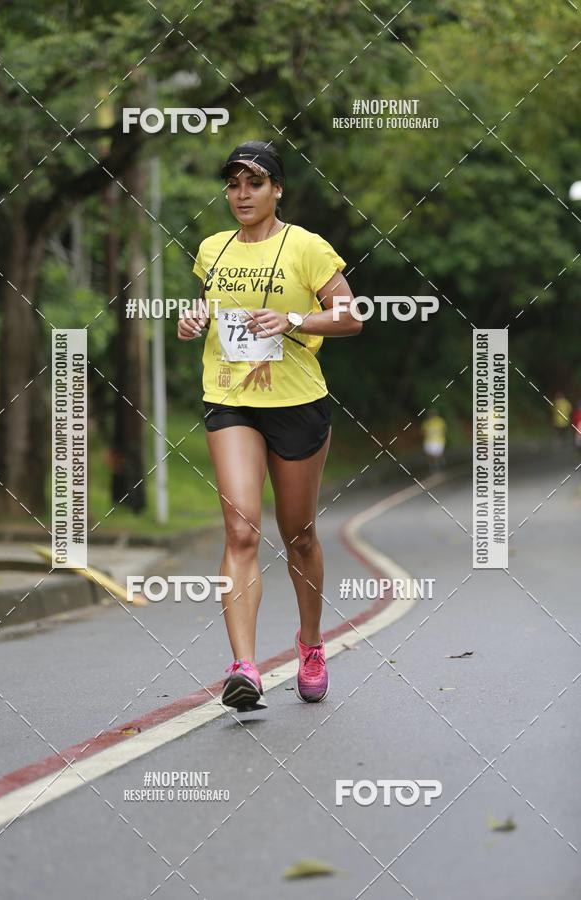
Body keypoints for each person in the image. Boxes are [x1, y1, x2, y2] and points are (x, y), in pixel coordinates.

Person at [177, 140, 361, 712]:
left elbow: (351, 316)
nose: (241, 195)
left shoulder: (305, 246)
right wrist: (193, 317)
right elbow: (211, 310)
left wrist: (295, 318)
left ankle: (309, 645)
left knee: (299, 535)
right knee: (240, 531)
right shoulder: (212, 249)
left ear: (277, 189)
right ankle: (244, 668)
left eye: (254, 183)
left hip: (298, 403)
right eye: (233, 184)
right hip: (230, 400)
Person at [421, 409, 447, 473]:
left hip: (439, 440)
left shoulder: (440, 421)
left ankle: (438, 463)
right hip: (429, 441)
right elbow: (423, 431)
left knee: (437, 454)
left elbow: (445, 429)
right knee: (430, 454)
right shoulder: (426, 422)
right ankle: (433, 466)